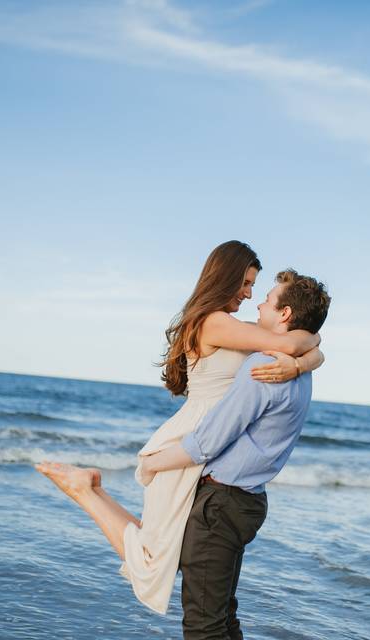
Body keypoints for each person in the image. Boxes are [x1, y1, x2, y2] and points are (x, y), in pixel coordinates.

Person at [35, 241, 324, 615]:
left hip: (207, 444)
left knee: (162, 545)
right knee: (157, 555)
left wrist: (304, 360)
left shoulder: (236, 326)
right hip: (192, 442)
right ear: (226, 277)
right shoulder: (214, 322)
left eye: (256, 286)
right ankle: (85, 493)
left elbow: (306, 339)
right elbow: (299, 339)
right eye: (246, 283)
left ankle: (90, 489)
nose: (250, 293)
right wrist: (305, 356)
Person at [139, 268, 331, 639]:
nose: (258, 302)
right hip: (246, 503)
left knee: (203, 626)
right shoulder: (299, 370)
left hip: (222, 505)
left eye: (268, 298)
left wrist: (151, 464)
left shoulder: (262, 367)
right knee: (222, 616)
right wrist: (305, 357)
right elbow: (313, 344)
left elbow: (207, 442)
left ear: (285, 315)